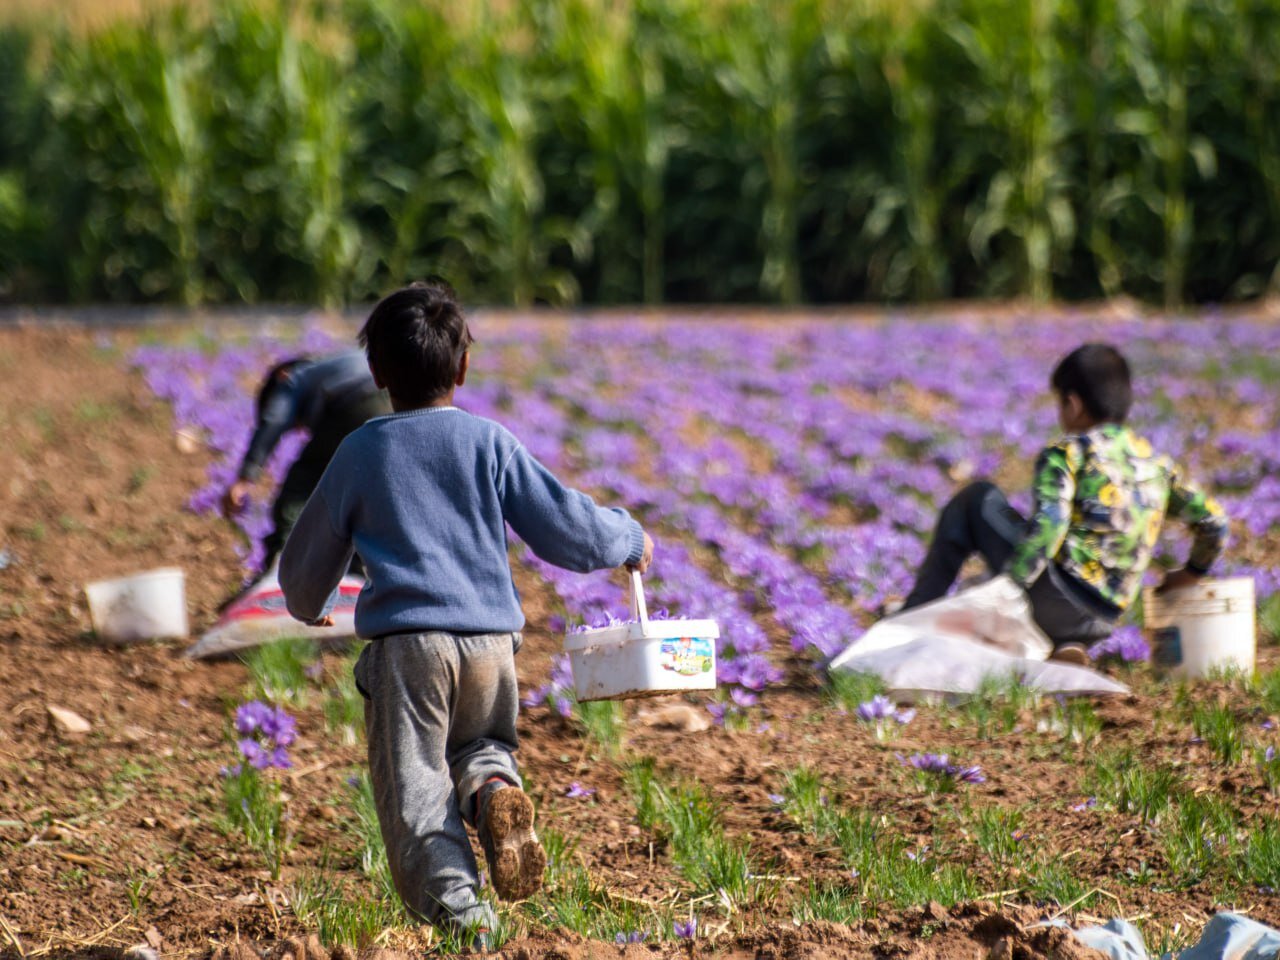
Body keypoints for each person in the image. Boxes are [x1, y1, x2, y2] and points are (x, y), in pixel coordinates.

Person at [278, 281, 653, 947]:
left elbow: (309, 555)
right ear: (463, 367)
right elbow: (565, 526)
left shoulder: (362, 450)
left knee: (417, 789)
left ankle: (465, 920)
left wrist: (307, 603)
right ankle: (492, 798)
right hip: (491, 644)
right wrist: (627, 539)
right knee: (481, 745)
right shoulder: (489, 441)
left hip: (411, 647)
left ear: (376, 372)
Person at [901, 342, 1228, 664]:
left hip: (1054, 599)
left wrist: (1007, 589)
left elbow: (1050, 524)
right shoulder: (1155, 463)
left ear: (1073, 404)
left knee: (976, 499)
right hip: (1105, 619)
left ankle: (909, 620)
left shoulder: (1069, 452)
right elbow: (1214, 522)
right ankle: (1065, 646)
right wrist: (1192, 571)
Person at [222, 351, 390, 572]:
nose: (300, 428)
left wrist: (244, 478)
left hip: (356, 403)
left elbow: (274, 419)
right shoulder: (331, 367)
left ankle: (282, 559)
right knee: (366, 489)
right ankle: (361, 567)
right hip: (392, 401)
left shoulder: (292, 378)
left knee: (304, 480)